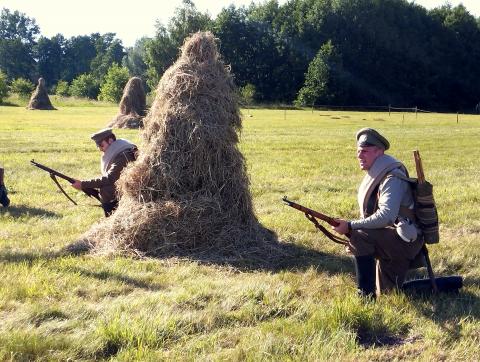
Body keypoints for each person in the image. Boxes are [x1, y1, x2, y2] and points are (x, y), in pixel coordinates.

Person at [333, 128, 424, 298]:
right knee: (390, 295)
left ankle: (365, 297)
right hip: (393, 237)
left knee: (359, 235)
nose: (360, 156)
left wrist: (351, 225)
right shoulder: (379, 172)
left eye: (365, 151)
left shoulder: (392, 177)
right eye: (358, 151)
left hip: (405, 242)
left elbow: (386, 216)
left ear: (379, 152)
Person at [72, 128, 137, 217]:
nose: (100, 149)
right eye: (98, 146)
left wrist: (83, 184)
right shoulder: (120, 151)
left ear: (110, 141)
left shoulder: (123, 155)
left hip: (119, 199)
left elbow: (110, 178)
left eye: (101, 145)